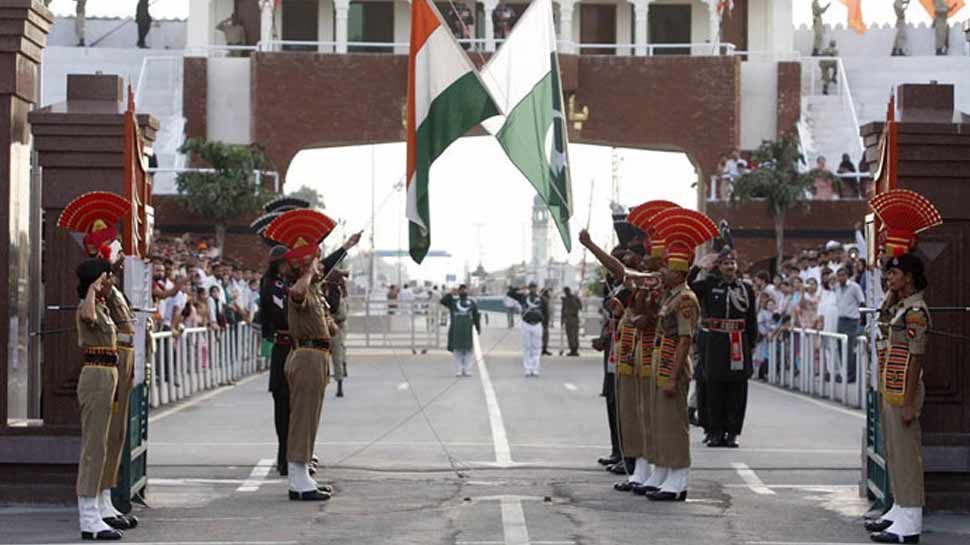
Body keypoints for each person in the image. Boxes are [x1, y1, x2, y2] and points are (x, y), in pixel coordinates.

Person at [264, 208, 362, 501]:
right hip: (305, 357)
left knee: (310, 417)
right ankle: (297, 478)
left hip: (316, 357)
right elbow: (295, 293)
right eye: (316, 263)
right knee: (302, 417)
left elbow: (330, 327)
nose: (321, 267)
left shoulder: (315, 290)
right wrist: (306, 270)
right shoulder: (298, 288)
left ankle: (302, 473)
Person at [646, 208, 717, 502]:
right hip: (662, 357)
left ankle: (678, 479)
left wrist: (673, 377)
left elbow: (686, 340)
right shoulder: (671, 295)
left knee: (675, 423)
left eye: (666, 268)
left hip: (675, 360)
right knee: (661, 421)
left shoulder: (686, 299)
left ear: (677, 271)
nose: (661, 271)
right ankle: (663, 471)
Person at [689, 247, 757, 448]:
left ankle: (732, 432)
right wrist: (698, 268)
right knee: (714, 386)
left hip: (738, 341)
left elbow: (751, 318)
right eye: (725, 264)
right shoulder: (709, 285)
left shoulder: (745, 289)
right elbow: (686, 288)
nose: (730, 267)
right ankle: (714, 430)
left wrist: (751, 344)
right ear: (718, 267)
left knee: (737, 388)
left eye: (732, 264)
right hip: (715, 343)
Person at [260, 245, 293, 475]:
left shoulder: (287, 284)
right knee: (283, 405)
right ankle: (284, 456)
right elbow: (282, 315)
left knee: (295, 407)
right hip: (283, 348)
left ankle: (292, 454)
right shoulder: (273, 286)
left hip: (293, 348)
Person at [440, 284, 481, 377]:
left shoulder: (471, 302)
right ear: (458, 292)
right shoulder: (453, 302)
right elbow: (442, 301)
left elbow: (476, 316)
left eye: (464, 290)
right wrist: (450, 293)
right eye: (461, 290)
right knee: (457, 350)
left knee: (468, 350)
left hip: (467, 330)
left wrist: (478, 327)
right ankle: (459, 369)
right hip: (456, 329)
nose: (463, 291)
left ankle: (467, 369)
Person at [835, 265, 864, 383]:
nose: (841, 278)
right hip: (841, 320)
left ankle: (851, 375)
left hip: (852, 320)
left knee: (850, 348)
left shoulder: (854, 287)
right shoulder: (837, 287)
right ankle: (844, 372)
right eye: (839, 276)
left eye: (843, 275)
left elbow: (862, 302)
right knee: (841, 348)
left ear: (847, 276)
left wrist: (861, 319)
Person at [510, 282, 545, 377]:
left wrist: (544, 325)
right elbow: (510, 293)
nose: (533, 289)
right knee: (527, 347)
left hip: (537, 324)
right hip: (526, 324)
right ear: (529, 288)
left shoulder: (541, 298)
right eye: (531, 287)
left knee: (536, 348)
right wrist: (520, 287)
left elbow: (546, 312)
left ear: (537, 288)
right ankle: (528, 369)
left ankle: (535, 369)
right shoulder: (523, 297)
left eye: (534, 287)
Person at [325, 269, 350, 397]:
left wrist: (329, 319)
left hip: (333, 329)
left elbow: (341, 314)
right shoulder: (332, 291)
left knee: (336, 357)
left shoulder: (335, 293)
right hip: (329, 330)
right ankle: (336, 382)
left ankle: (339, 383)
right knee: (334, 357)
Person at [561, 287, 583, 356]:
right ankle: (571, 349)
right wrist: (562, 320)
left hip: (574, 318)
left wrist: (572, 300)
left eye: (567, 291)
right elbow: (563, 310)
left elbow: (580, 307)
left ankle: (575, 349)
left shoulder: (575, 298)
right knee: (569, 335)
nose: (566, 293)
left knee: (574, 335)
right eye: (565, 292)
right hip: (567, 319)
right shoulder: (565, 299)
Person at [540, 288, 553, 356]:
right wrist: (546, 321)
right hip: (543, 321)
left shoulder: (543, 299)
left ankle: (543, 349)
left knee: (544, 336)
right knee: (544, 336)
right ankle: (543, 349)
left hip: (543, 321)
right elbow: (546, 312)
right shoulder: (544, 300)